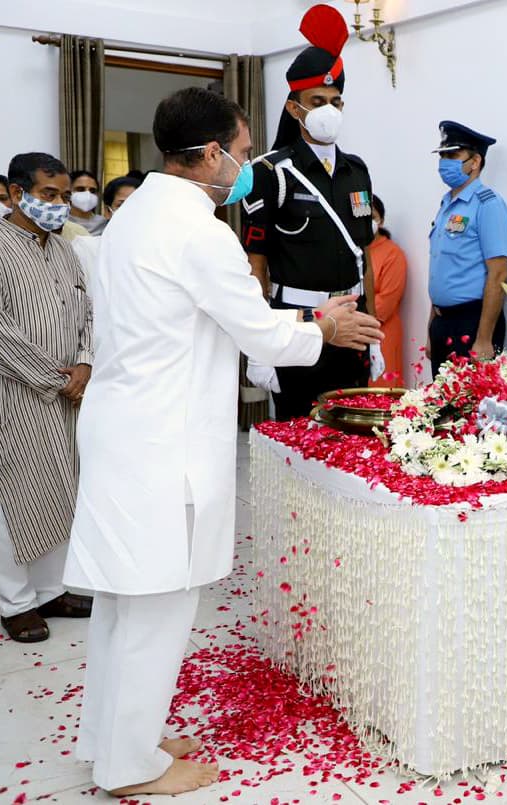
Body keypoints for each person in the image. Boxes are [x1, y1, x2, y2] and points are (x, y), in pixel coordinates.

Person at [64, 87, 382, 797]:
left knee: (123, 601)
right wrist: (322, 327)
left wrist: (301, 322)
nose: (245, 168)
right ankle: (131, 765)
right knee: (157, 602)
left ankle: (114, 736)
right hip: (160, 440)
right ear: (210, 154)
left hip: (125, 427)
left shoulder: (135, 213)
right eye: (241, 155)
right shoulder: (198, 230)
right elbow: (261, 330)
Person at [242, 4, 380, 418]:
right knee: (300, 442)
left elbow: (364, 258)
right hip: (299, 325)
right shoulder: (269, 172)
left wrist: (374, 334)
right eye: (316, 100)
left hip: (353, 323)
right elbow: (256, 266)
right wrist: (261, 345)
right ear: (293, 108)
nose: (328, 110)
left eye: (335, 101)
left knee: (350, 441)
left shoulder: (357, 171)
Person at [0, 152, 94, 643]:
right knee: (16, 499)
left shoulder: (65, 250)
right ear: (15, 193)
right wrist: (55, 378)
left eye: (64, 196)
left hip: (69, 394)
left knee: (60, 492)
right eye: (49, 195)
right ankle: (15, 603)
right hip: (17, 396)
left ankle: (51, 590)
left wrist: (86, 364)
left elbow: (89, 313)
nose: (59, 205)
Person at [426, 121, 507, 376]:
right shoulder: (447, 205)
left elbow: (498, 274)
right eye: (442, 155)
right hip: (443, 322)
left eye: (453, 155)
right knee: (440, 409)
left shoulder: (488, 204)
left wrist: (484, 338)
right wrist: (431, 328)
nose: (445, 162)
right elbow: (440, 271)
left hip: (472, 323)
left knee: (469, 411)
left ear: (475, 162)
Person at [368, 193, 407, 385]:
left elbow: (386, 303)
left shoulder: (392, 253)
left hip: (381, 333)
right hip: (348, 333)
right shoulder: (348, 252)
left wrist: (351, 316)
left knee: (381, 394)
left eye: (371, 217)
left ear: (380, 220)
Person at [68, 169, 107, 235]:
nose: (87, 194)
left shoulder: (104, 224)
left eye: (92, 191)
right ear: (68, 192)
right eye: (80, 189)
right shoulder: (61, 222)